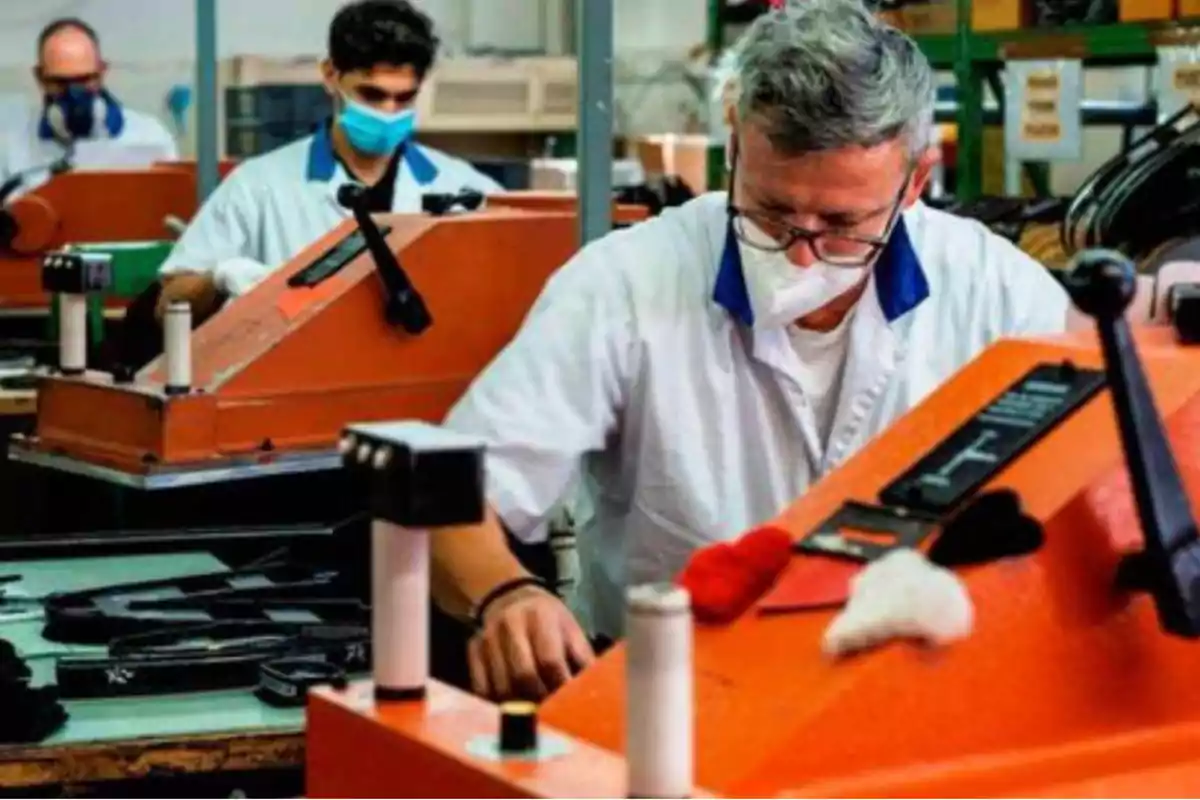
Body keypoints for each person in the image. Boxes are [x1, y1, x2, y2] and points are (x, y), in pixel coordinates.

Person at [434, 0, 1087, 701]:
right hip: (669, 701)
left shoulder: (1000, 298)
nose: (800, 256)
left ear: (916, 181)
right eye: (771, 212)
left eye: (841, 224)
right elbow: (449, 497)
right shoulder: (625, 285)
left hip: (914, 702)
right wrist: (504, 594)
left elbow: (1094, 496)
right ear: (736, 140)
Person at [156, 0, 504, 321]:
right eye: (372, 94)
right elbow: (167, 304)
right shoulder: (258, 186)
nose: (388, 112)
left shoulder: (463, 187)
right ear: (330, 75)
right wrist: (217, 279)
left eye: (404, 98)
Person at [0, 18, 179, 198]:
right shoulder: (12, 148)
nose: (73, 94)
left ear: (102, 72)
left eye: (85, 80)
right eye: (60, 82)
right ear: (40, 77)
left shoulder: (150, 137)